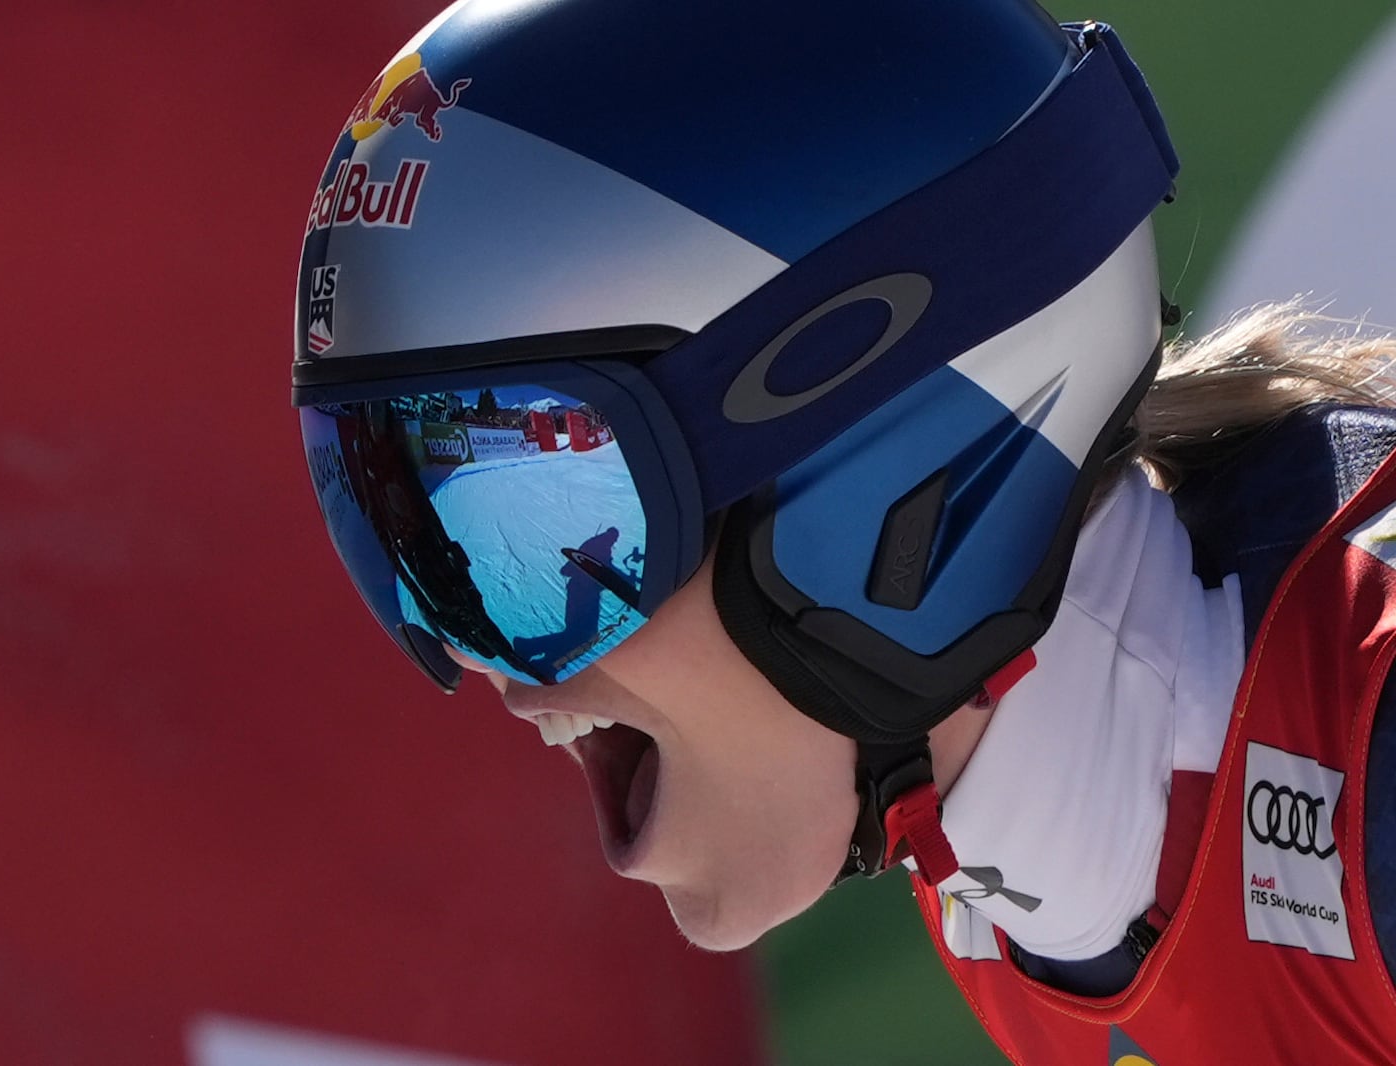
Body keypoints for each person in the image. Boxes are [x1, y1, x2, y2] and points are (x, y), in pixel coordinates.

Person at [289, 1, 1396, 1060]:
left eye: (526, 533)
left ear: (876, 458)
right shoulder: (998, 869)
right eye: (405, 541)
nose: (489, 667)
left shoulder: (1362, 733)